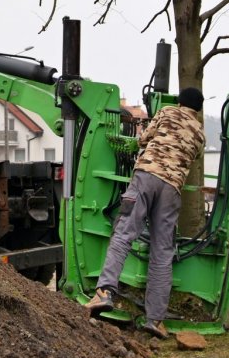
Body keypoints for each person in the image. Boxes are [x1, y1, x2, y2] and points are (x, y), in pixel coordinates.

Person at [84, 87, 206, 338]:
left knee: (124, 234)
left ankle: (104, 293)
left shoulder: (167, 112)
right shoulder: (201, 133)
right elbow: (193, 158)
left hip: (145, 177)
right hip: (172, 188)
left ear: (180, 101)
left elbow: (142, 139)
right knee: (162, 252)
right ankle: (155, 320)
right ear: (199, 110)